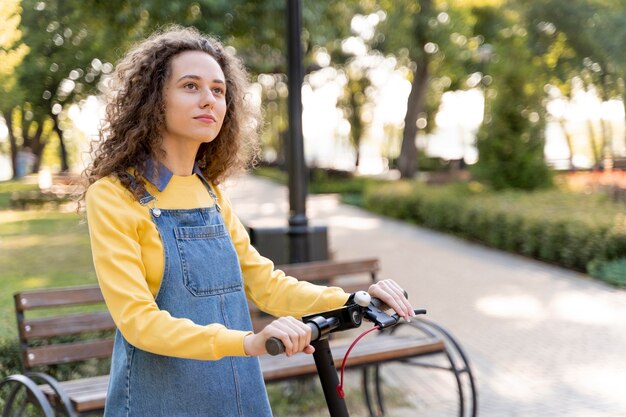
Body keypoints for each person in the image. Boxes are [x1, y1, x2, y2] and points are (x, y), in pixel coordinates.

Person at [81, 26, 416, 417]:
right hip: (160, 398)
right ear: (154, 100)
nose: (209, 99)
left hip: (236, 392)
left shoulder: (211, 194)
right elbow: (138, 322)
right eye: (190, 86)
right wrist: (248, 342)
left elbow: (265, 284)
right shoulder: (113, 196)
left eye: (218, 91)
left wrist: (353, 299)